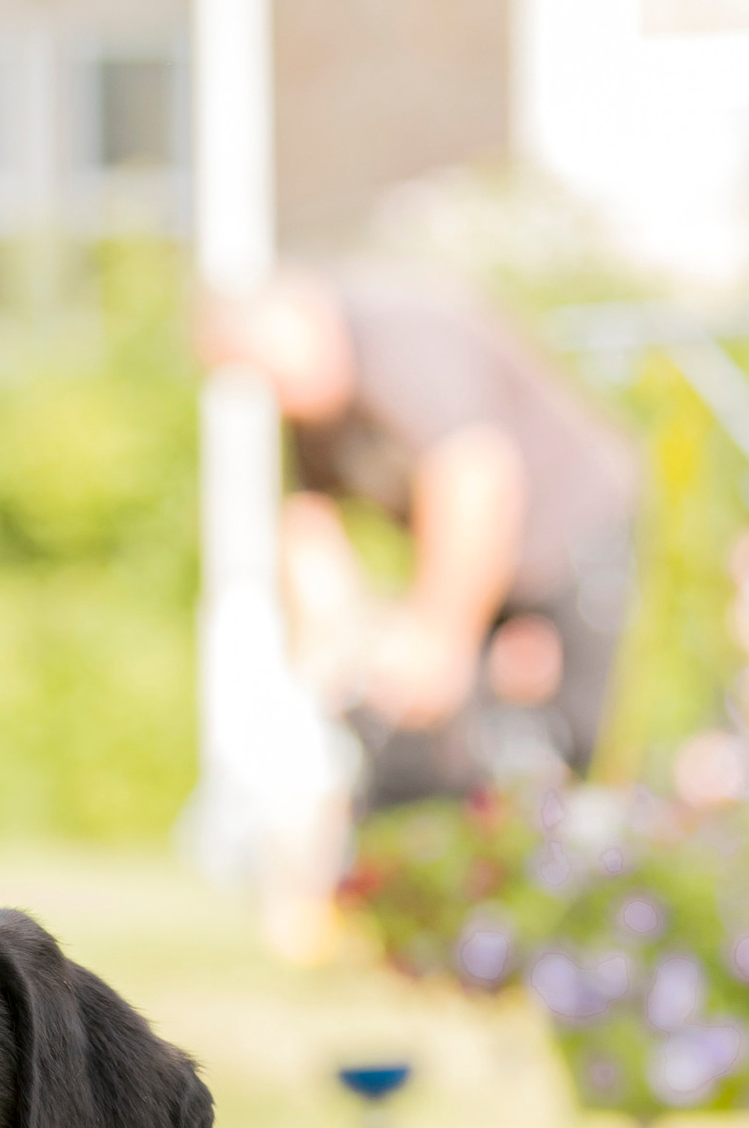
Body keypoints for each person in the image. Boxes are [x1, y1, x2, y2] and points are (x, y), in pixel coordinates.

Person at [202, 260, 640, 812]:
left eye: (272, 371)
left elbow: (476, 481)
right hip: (499, 572)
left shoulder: (396, 340)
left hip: (573, 539)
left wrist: (439, 638)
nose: (274, 394)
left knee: (577, 745)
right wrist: (332, 636)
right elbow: (309, 519)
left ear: (305, 318)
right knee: (442, 749)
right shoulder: (316, 401)